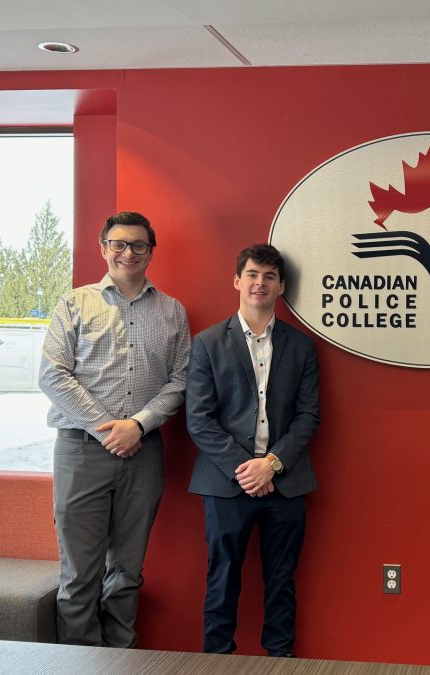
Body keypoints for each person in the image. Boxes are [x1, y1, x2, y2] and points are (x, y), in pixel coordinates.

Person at [40, 210, 189, 647]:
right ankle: (82, 661)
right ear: (103, 248)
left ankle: (121, 656)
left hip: (143, 453)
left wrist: (137, 426)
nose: (128, 252)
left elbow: (180, 381)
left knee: (127, 571)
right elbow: (52, 375)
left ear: (150, 252)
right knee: (79, 575)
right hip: (81, 451)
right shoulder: (74, 303)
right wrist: (108, 429)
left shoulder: (172, 312)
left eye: (138, 245)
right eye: (119, 244)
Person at [186, 243, 320, 657]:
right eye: (252, 275)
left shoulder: (301, 347)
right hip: (226, 483)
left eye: (269, 276)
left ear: (281, 286)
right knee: (222, 577)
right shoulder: (208, 343)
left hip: (286, 483)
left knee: (282, 579)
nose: (259, 283)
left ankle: (280, 661)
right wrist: (248, 469)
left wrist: (272, 466)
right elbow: (199, 419)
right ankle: (216, 663)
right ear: (237, 281)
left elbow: (308, 416)